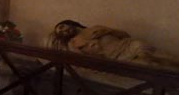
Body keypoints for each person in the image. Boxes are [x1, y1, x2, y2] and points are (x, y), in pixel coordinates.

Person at [49, 19, 179, 70]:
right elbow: (83, 61)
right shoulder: (74, 43)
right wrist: (94, 51)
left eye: (62, 27)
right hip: (117, 58)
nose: (64, 30)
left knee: (161, 56)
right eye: (61, 32)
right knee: (151, 66)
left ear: (69, 23)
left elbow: (125, 35)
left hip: (128, 45)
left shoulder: (95, 27)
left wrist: (109, 31)